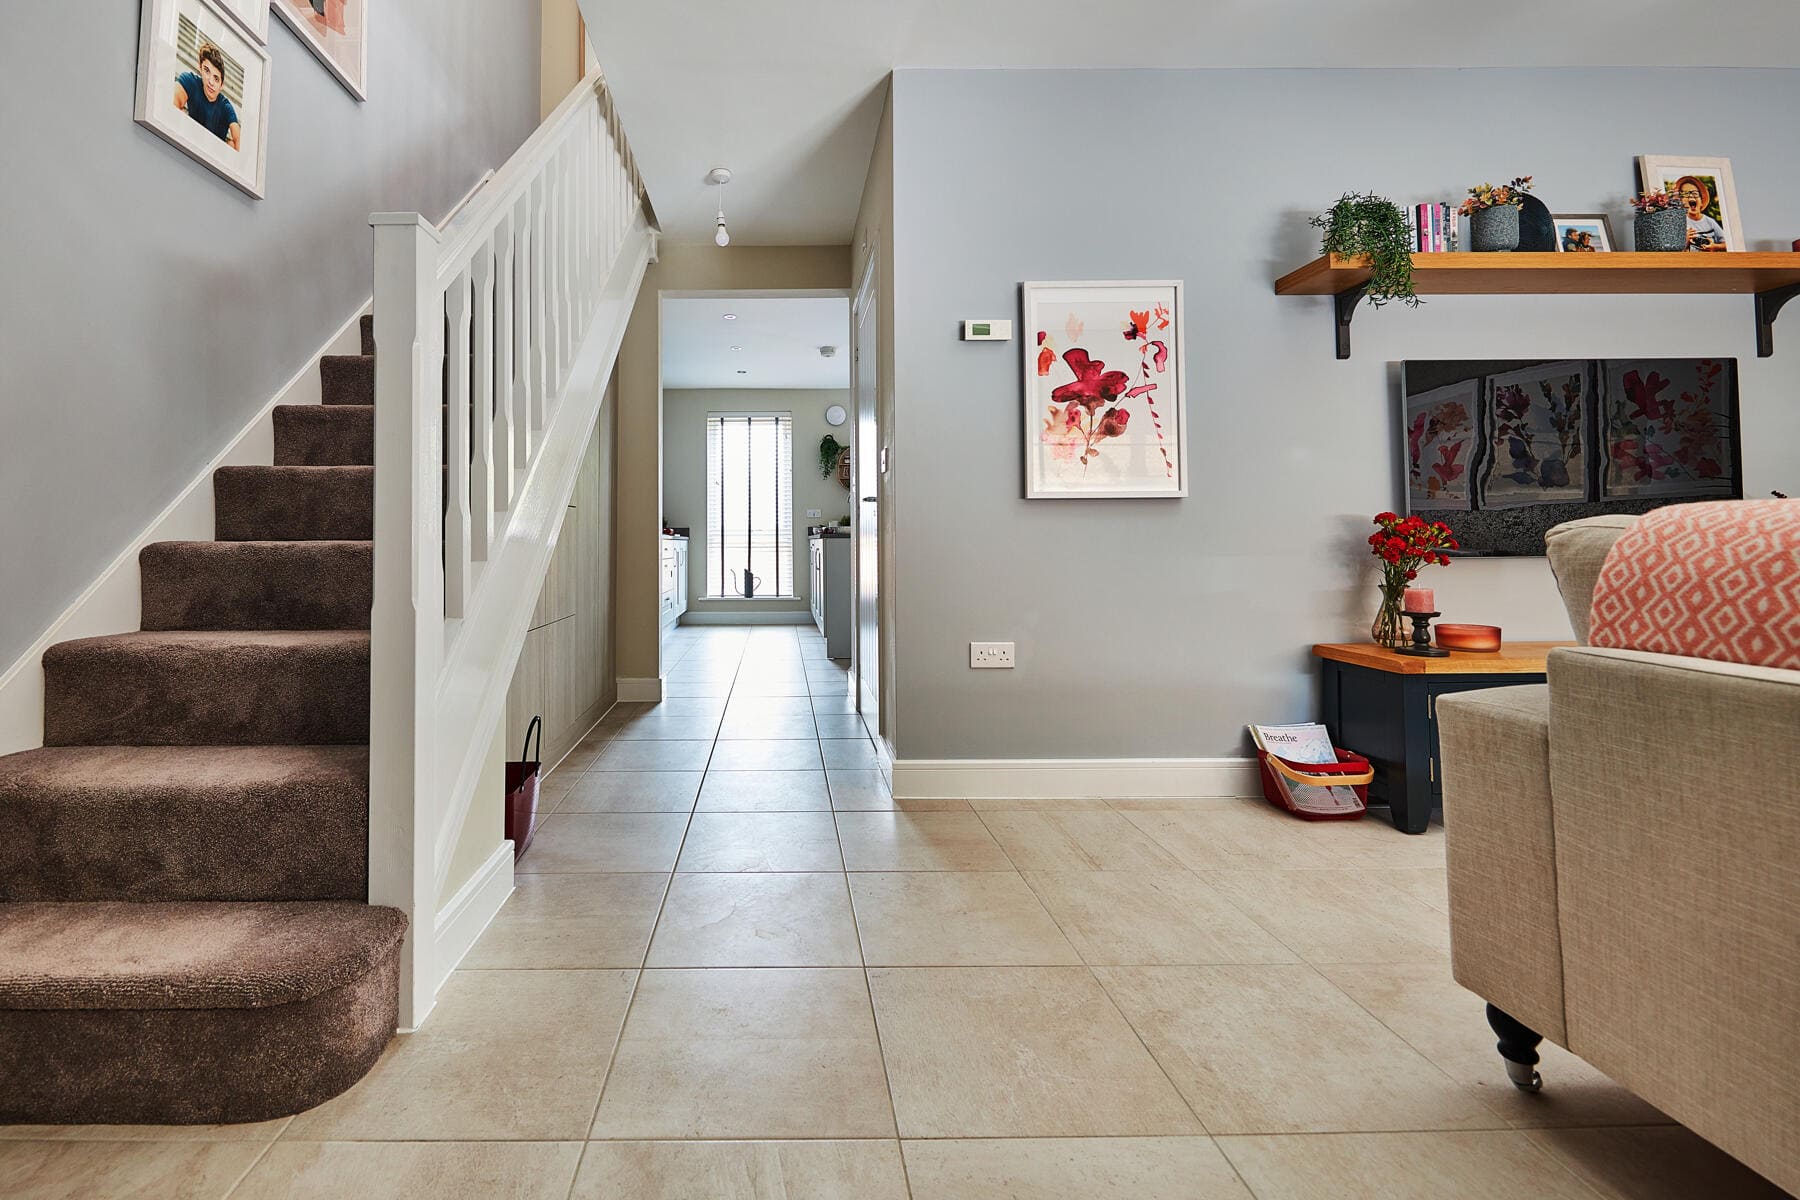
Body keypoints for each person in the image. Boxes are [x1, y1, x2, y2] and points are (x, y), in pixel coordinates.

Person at [173, 41, 240, 150]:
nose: (210, 82)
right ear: (200, 67)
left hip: (215, 152)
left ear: (221, 85)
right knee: (181, 112)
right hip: (190, 141)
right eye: (207, 71)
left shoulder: (226, 106)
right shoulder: (190, 80)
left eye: (216, 78)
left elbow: (238, 140)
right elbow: (172, 104)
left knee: (231, 144)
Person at [1674, 175, 1728, 251]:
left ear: (1702, 201)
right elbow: (1674, 251)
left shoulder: (1710, 222)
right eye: (1685, 194)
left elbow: (1728, 244)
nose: (1691, 196)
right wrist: (1685, 241)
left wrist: (1714, 246)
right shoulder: (1679, 223)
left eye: (1695, 193)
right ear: (1681, 202)